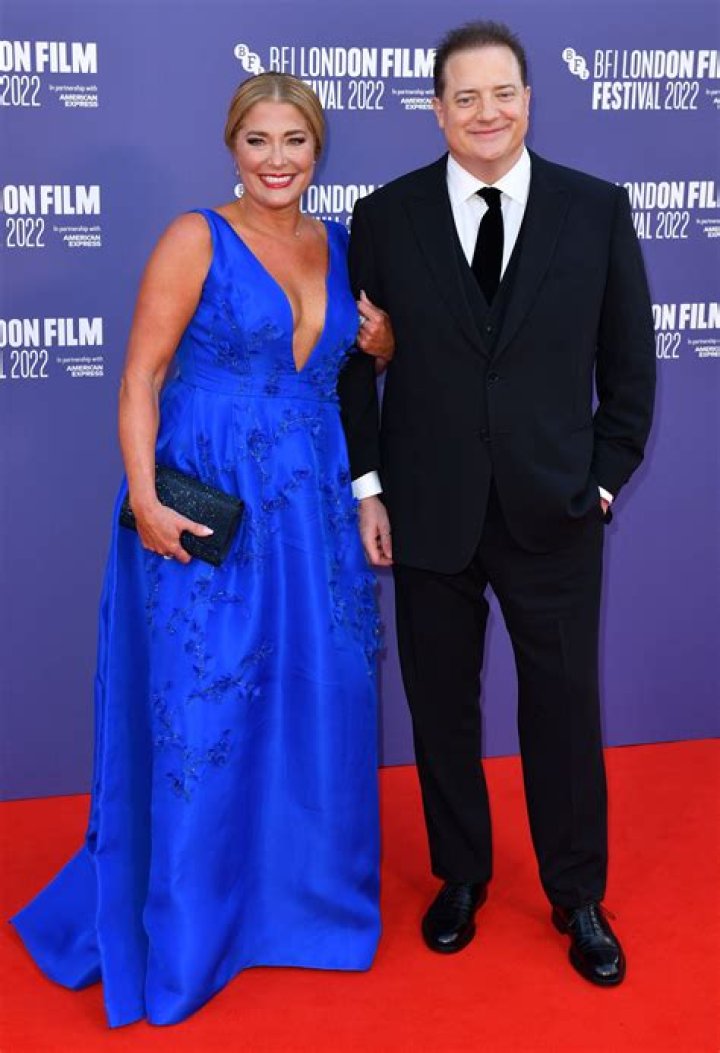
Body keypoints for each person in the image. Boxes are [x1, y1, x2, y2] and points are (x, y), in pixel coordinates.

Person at [12, 72, 393, 1027]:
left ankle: (301, 909)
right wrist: (145, 497)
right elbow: (140, 377)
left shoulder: (338, 244)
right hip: (208, 501)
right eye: (258, 140)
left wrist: (381, 349)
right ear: (232, 146)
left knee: (320, 695)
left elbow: (348, 368)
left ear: (318, 149)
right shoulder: (196, 237)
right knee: (206, 704)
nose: (277, 159)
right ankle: (191, 925)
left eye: (295, 140)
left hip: (311, 509)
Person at [339, 21, 655, 987]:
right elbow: (354, 365)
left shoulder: (594, 209)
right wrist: (369, 487)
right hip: (427, 506)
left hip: (554, 510)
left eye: (503, 93)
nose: (488, 112)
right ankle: (462, 874)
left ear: (529, 100)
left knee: (564, 709)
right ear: (437, 110)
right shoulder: (384, 216)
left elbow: (630, 368)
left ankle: (577, 892)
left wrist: (600, 482)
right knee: (441, 705)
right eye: (466, 97)